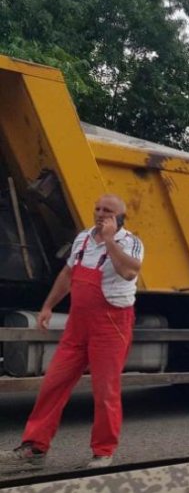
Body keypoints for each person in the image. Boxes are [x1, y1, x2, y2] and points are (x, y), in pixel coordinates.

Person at [0, 194, 144, 473]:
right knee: (53, 383)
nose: (101, 214)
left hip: (111, 324)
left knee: (105, 391)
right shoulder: (82, 239)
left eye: (108, 211)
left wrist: (110, 240)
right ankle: (34, 449)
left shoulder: (131, 243)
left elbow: (129, 272)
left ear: (120, 217)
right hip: (78, 324)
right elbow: (67, 275)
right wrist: (48, 305)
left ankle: (103, 452)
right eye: (98, 209)